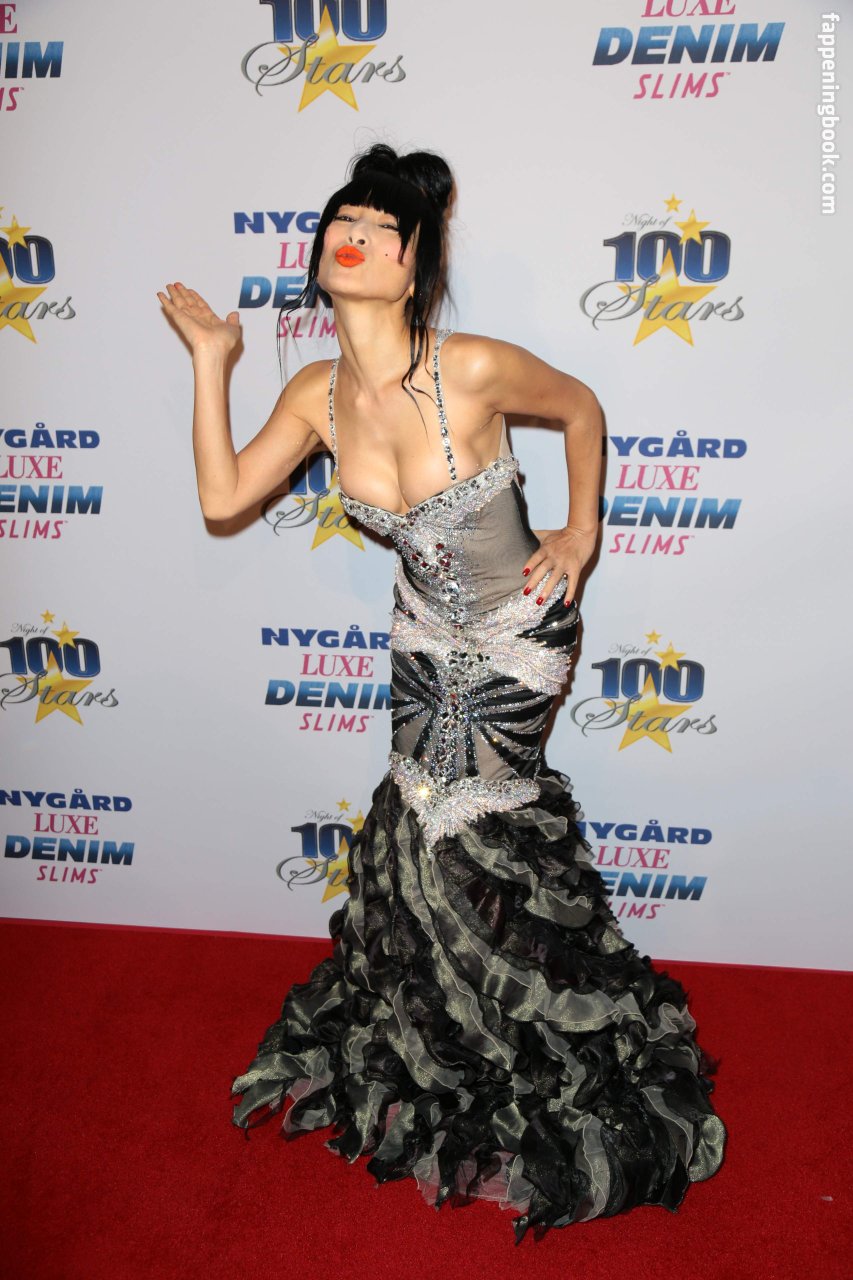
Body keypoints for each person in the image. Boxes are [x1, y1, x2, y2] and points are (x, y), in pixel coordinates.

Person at [157, 143, 727, 1242]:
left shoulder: (466, 367)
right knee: (416, 816)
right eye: (343, 222)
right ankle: (447, 1035)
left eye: (383, 229)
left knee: (475, 820)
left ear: (414, 267)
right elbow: (223, 497)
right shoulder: (314, 395)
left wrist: (580, 532)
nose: (355, 237)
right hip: (422, 632)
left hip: (515, 636)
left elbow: (582, 407)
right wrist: (212, 361)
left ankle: (542, 1040)